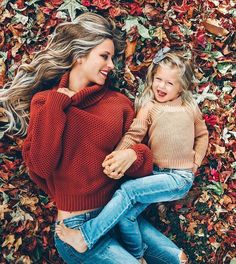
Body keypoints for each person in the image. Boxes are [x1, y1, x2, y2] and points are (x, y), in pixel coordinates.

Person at [0, 12, 189, 264]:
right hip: (74, 230)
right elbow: (42, 166)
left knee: (178, 259)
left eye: (112, 58)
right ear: (79, 55)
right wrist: (58, 103)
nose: (111, 65)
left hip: (118, 216)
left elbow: (141, 165)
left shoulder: (119, 104)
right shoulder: (46, 102)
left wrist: (132, 154)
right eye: (104, 56)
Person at [55, 49, 209, 263]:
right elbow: (134, 134)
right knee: (127, 215)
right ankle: (138, 255)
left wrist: (195, 163)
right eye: (158, 79)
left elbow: (202, 135)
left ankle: (86, 236)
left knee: (127, 191)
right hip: (157, 175)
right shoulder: (149, 108)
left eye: (169, 83)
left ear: (181, 88)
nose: (161, 87)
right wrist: (116, 155)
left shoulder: (189, 107)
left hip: (179, 177)